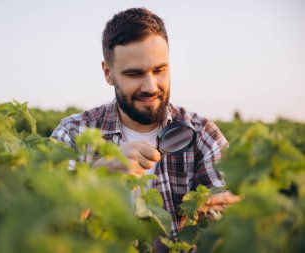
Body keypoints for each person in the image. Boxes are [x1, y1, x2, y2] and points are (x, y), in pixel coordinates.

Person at [51, 7, 240, 239]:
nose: (151, 86)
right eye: (134, 74)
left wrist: (224, 211)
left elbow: (228, 213)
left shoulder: (202, 134)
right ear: (108, 73)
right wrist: (97, 175)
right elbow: (48, 227)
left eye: (159, 70)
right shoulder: (73, 133)